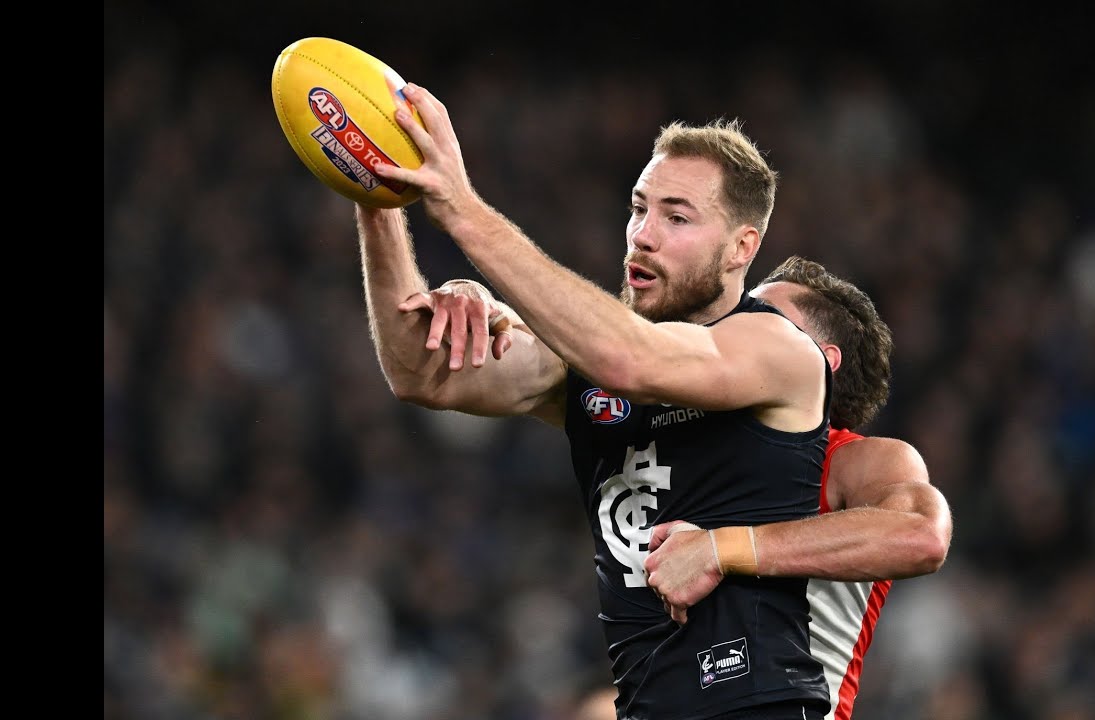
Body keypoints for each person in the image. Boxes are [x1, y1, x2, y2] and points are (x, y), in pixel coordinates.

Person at [355, 82, 832, 719]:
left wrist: (463, 211)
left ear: (741, 248)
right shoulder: (582, 359)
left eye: (677, 217)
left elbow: (628, 358)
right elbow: (421, 375)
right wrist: (374, 195)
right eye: (639, 208)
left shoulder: (775, 349)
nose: (643, 235)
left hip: (756, 705)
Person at [644, 256, 953, 720]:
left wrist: (722, 548)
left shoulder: (855, 458)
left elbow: (921, 534)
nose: (737, 333)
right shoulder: (693, 447)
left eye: (764, 322)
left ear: (822, 363)